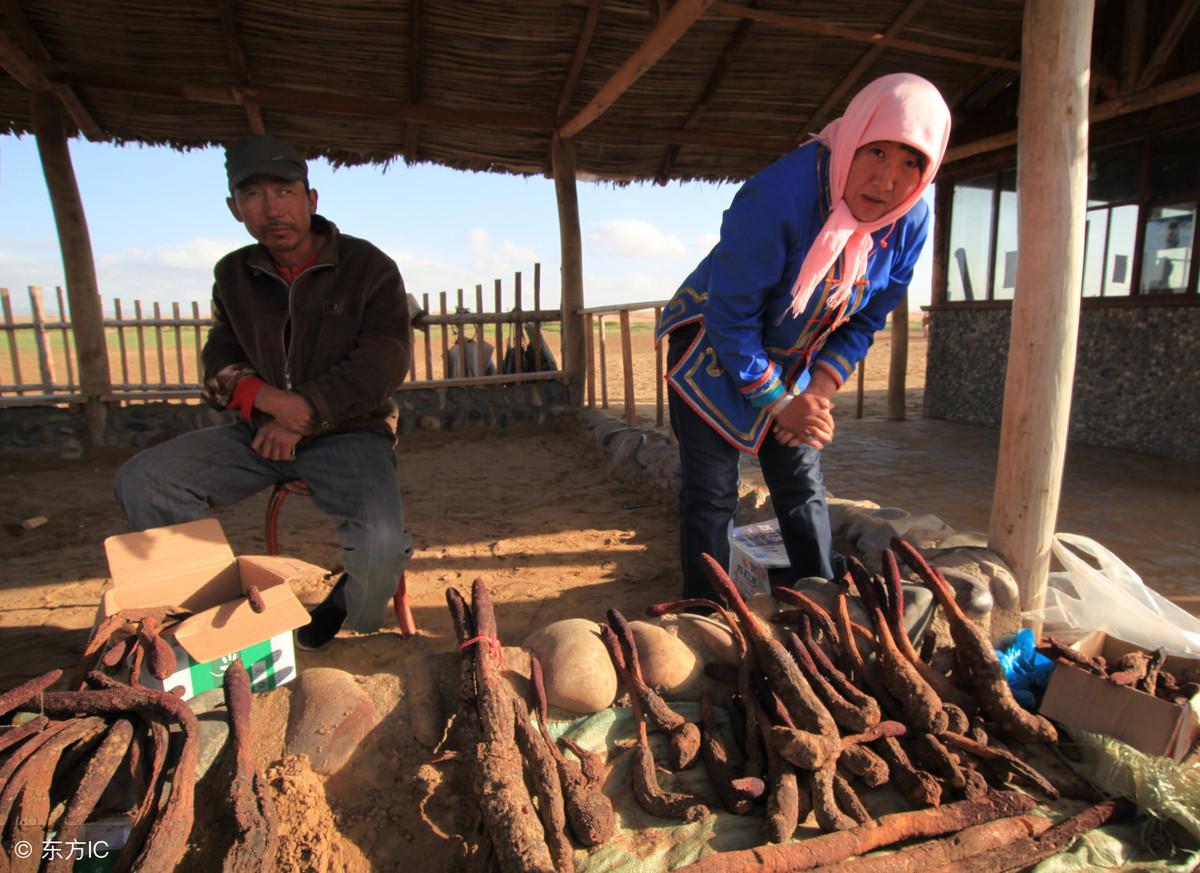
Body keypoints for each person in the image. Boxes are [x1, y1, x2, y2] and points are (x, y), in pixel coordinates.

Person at [655, 73, 951, 603]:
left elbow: (865, 319)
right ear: (852, 137)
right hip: (714, 346)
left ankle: (821, 596)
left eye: (912, 162)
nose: (888, 181)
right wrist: (777, 401)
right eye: (876, 151)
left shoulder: (909, 221)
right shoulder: (778, 195)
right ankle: (706, 611)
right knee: (712, 492)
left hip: (795, 359)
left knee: (799, 484)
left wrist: (816, 394)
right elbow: (732, 320)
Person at [114, 134, 413, 650]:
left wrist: (307, 412)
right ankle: (216, 623)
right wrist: (271, 405)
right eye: (253, 195)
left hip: (349, 431)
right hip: (257, 432)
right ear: (235, 208)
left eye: (284, 191)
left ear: (311, 199)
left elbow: (384, 362)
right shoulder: (234, 273)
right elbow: (219, 357)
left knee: (382, 542)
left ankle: (352, 617)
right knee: (146, 480)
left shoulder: (367, 266)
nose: (271, 208)